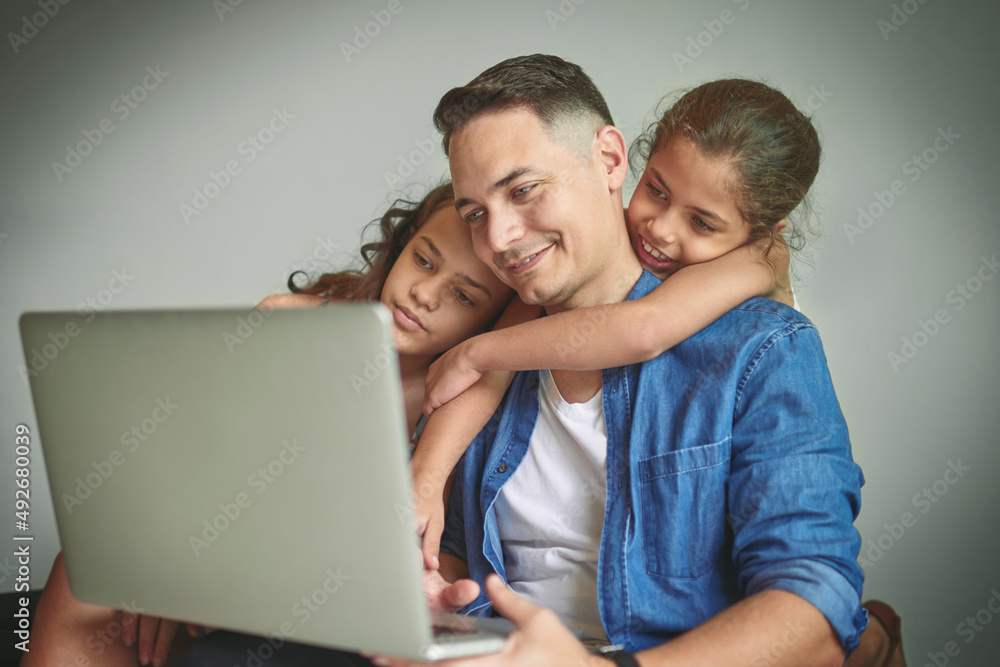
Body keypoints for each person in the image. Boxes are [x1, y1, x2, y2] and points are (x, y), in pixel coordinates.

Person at [368, 54, 868, 667]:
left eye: (523, 190)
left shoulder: (759, 348)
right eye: (475, 214)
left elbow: (815, 614)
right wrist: (430, 596)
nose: (497, 240)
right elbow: (449, 546)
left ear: (609, 158)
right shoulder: (482, 362)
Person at [22, 182, 514, 667]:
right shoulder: (289, 323)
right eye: (423, 260)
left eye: (464, 297)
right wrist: (170, 575)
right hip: (225, 565)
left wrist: (418, 580)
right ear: (401, 244)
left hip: (340, 596)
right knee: (83, 578)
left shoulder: (470, 407)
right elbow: (191, 462)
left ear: (491, 323)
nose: (424, 293)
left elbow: (450, 554)